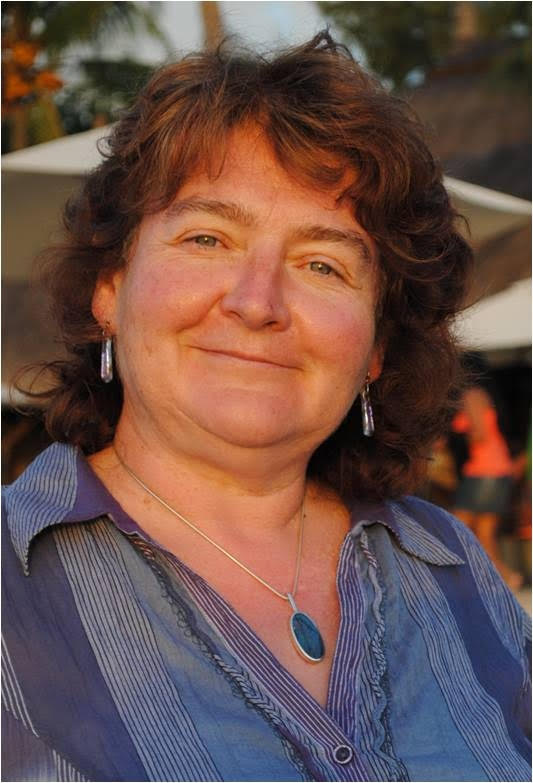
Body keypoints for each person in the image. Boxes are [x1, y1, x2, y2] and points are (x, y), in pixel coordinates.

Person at [3, 32, 530, 783]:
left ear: (376, 345)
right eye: (207, 237)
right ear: (109, 290)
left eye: (322, 264)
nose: (257, 303)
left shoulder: (448, 564)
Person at [453, 376, 521, 589]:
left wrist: (460, 435)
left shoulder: (470, 396)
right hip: (496, 470)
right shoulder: (481, 396)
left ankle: (495, 577)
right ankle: (505, 577)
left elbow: (480, 434)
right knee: (483, 533)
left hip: (483, 471)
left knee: (458, 527)